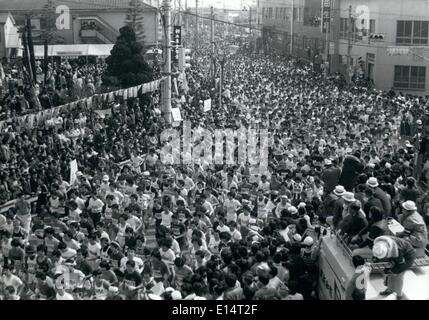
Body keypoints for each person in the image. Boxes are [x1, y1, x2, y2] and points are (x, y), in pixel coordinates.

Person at [372, 235, 416, 300]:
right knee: (389, 273)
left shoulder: (397, 250)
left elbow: (400, 264)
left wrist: (393, 271)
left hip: (407, 257)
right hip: (398, 255)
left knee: (398, 276)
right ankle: (390, 289)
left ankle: (399, 295)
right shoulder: (380, 244)